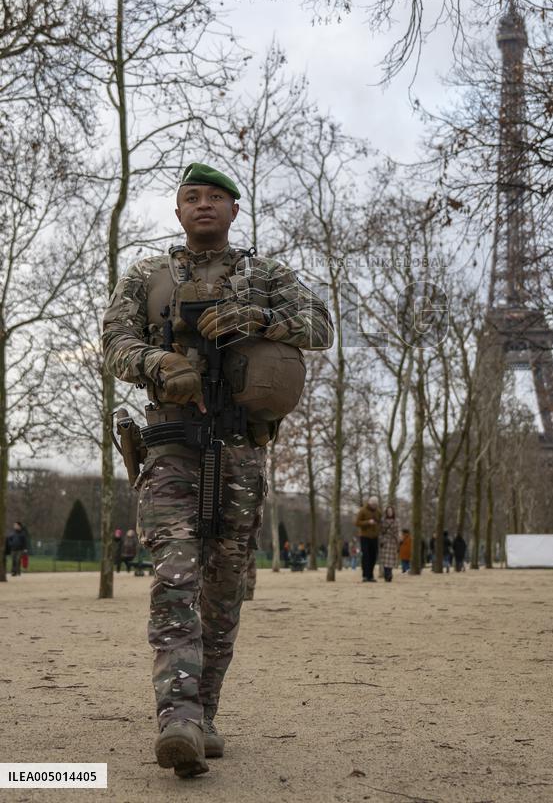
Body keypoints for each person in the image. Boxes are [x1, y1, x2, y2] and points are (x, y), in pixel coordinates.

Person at [102, 161, 332, 778]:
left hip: (240, 451)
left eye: (216, 198)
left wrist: (262, 321)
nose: (203, 205)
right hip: (171, 444)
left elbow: (322, 326)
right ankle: (175, 717)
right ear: (178, 212)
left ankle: (203, 716)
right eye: (191, 197)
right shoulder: (146, 276)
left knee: (224, 587)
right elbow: (114, 343)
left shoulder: (267, 276)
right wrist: (157, 364)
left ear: (234, 212)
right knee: (176, 572)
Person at [355, 496, 381, 582]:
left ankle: (371, 575)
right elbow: (357, 522)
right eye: (373, 504)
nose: (374, 505)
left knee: (373, 556)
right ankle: (365, 575)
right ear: (369, 503)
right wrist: (367, 522)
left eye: (376, 504)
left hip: (375, 537)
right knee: (366, 556)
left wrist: (378, 528)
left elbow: (380, 522)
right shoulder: (363, 510)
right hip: (364, 536)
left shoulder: (378, 512)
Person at [378, 506, 399, 582]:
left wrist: (397, 542)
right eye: (388, 511)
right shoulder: (383, 521)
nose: (390, 512)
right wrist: (381, 540)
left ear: (393, 512)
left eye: (391, 511)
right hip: (385, 541)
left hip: (393, 541)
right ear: (386, 512)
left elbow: (397, 532)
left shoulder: (396, 521)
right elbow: (380, 531)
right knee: (385, 560)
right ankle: (387, 574)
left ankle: (389, 573)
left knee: (390, 560)